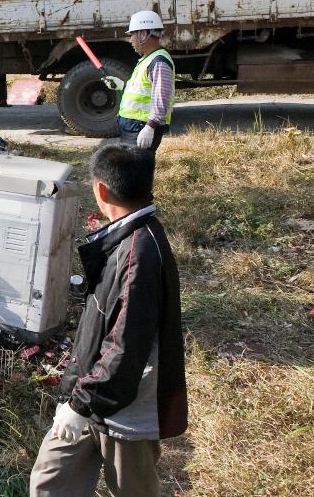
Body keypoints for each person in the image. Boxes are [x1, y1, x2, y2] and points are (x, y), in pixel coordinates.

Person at [30, 144, 187, 497]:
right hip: (92, 393)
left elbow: (124, 348)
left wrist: (82, 404)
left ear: (101, 190)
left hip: (124, 408)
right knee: (49, 483)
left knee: (132, 490)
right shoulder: (126, 241)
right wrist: (74, 395)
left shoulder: (139, 255)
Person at [113, 10, 174, 151]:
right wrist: (122, 86)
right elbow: (143, 90)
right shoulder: (147, 59)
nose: (130, 40)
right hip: (134, 127)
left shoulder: (159, 61)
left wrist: (150, 127)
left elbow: (161, 98)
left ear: (144, 34)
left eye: (132, 35)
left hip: (142, 127)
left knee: (137, 171)